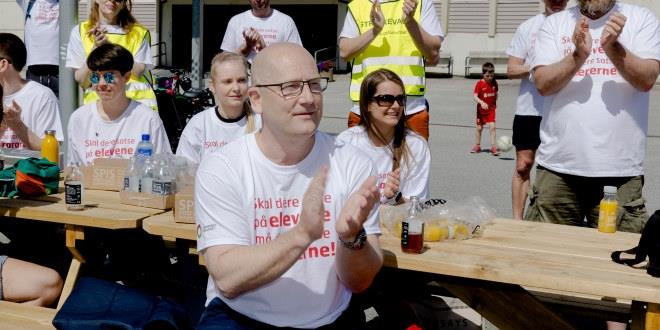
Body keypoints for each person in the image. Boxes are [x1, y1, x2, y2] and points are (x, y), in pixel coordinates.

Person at [195, 43, 382, 329]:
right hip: (241, 316)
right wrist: (301, 235)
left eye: (315, 85)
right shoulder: (224, 167)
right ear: (256, 99)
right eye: (291, 87)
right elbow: (228, 279)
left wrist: (351, 238)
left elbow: (359, 282)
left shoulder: (352, 162)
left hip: (329, 318)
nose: (308, 98)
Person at [529, 4, 658, 328]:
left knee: (620, 275)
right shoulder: (555, 23)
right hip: (558, 168)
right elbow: (542, 82)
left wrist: (612, 47)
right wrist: (578, 56)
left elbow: (646, 79)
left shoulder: (641, 19)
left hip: (620, 170)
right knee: (548, 266)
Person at [338, 0, 443, 141]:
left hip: (410, 110)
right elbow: (345, 52)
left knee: (413, 162)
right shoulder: (358, 5)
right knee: (359, 163)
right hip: (365, 110)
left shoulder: (420, 3)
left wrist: (410, 21)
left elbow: (433, 54)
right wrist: (374, 30)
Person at [506, 0, 568, 220]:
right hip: (530, 108)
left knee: (562, 171)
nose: (557, 2)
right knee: (523, 166)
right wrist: (538, 71)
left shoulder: (576, 24)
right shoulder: (528, 27)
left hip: (564, 108)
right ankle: (517, 221)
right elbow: (511, 68)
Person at [337, 68, 430, 206]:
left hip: (396, 225)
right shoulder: (346, 142)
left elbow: (417, 209)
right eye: (386, 99)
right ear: (367, 104)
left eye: (400, 99)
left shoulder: (415, 145)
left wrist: (395, 197)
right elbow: (335, 201)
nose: (396, 106)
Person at [67, 43, 170, 166]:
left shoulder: (148, 119)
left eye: (109, 77)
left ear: (126, 77)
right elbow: (74, 172)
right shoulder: (79, 119)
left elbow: (164, 168)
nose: (101, 84)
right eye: (95, 77)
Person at [66, 0, 157, 110]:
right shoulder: (81, 32)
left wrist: (108, 45)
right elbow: (82, 80)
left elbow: (138, 71)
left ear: (123, 3)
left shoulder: (138, 33)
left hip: (137, 108)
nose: (112, 0)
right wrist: (95, 48)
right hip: (99, 109)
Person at [176, 52, 260, 164]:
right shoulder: (199, 125)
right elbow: (184, 173)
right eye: (227, 82)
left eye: (241, 80)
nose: (236, 88)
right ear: (212, 86)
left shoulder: (261, 123)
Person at [0, 33, 63, 151]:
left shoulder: (42, 96)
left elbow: (52, 150)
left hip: (27, 168)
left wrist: (18, 125)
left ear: (3, 64)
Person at [220, 0, 302, 63]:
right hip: (243, 83)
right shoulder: (236, 21)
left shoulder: (286, 22)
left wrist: (264, 50)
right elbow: (225, 63)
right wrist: (245, 49)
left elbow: (296, 59)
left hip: (274, 82)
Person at [16, 0, 60, 97]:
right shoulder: (28, 3)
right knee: (36, 105)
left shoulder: (62, 4)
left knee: (60, 108)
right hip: (34, 69)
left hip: (58, 69)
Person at [471, 62, 499, 156]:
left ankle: (493, 147)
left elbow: (496, 94)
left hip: (491, 110)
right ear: (483, 74)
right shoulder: (479, 84)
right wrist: (481, 102)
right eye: (487, 76)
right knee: (479, 128)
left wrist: (495, 105)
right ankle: (477, 146)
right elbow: (475, 96)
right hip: (481, 111)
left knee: (492, 127)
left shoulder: (495, 83)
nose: (490, 78)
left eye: (491, 75)